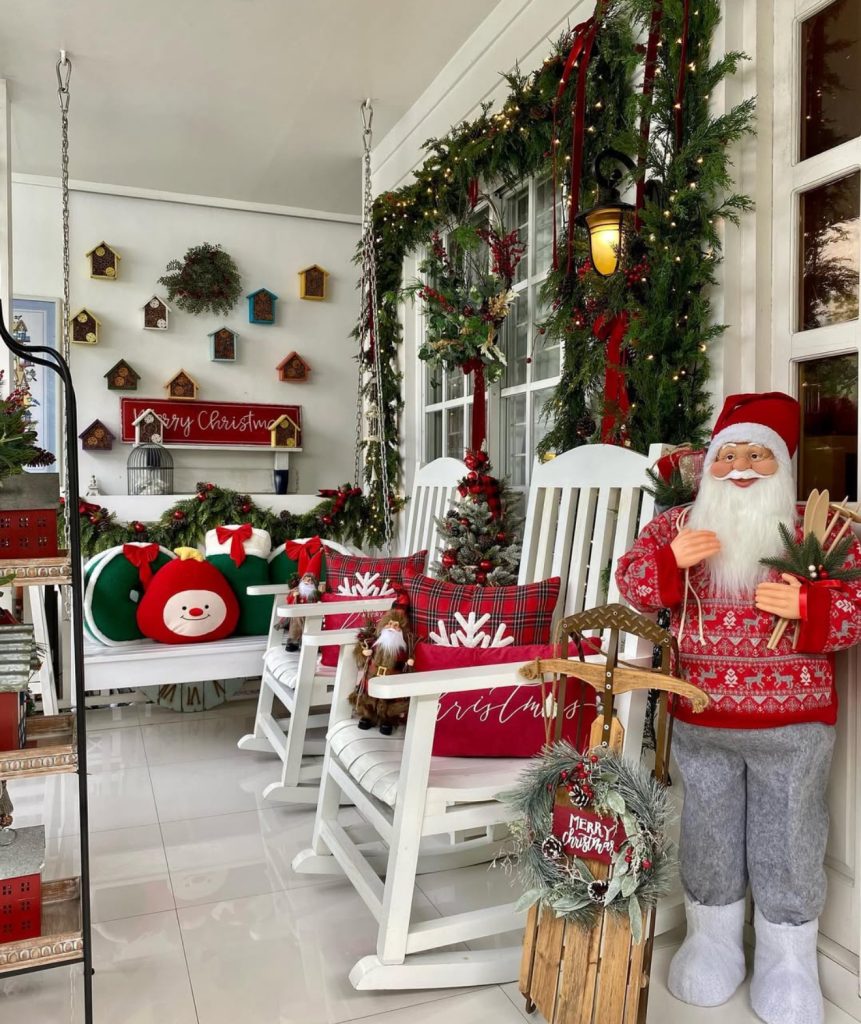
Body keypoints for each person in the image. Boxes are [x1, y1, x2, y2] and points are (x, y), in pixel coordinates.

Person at [616, 391, 861, 1024]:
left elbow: (856, 608)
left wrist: (811, 607)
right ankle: (713, 941)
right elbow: (632, 580)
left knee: (791, 835)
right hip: (701, 719)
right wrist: (670, 563)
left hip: (794, 725)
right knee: (708, 830)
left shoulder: (821, 531)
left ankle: (788, 959)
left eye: (758, 454)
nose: (741, 468)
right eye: (728, 455)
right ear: (709, 464)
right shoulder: (679, 525)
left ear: (782, 463)